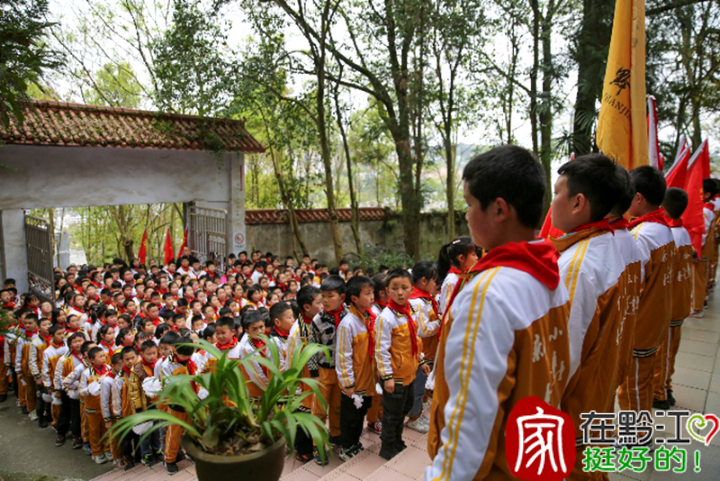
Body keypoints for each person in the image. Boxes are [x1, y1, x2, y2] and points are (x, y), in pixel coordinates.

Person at [426, 145, 571, 480]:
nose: (466, 215)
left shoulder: (486, 295)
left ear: (499, 209)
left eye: (469, 204)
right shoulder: (551, 274)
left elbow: (469, 429)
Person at [550, 154, 626, 478]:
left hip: (576, 411)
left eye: (556, 192)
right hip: (599, 393)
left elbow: (564, 355)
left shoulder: (577, 266)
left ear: (578, 202)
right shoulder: (608, 244)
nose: (551, 202)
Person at [618, 166, 675, 417]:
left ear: (638, 198)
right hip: (657, 318)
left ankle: (637, 439)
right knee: (643, 380)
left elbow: (633, 285)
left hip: (641, 325)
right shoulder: (663, 228)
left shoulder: (641, 235)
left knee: (632, 385)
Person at [607, 165, 648, 401]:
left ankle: (638, 436)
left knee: (628, 390)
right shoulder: (632, 239)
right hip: (628, 332)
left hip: (617, 338)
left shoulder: (610, 243)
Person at [375, 268, 422, 460]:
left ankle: (397, 440)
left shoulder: (409, 311)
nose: (400, 292)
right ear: (387, 291)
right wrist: (387, 377)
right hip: (395, 376)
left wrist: (423, 359)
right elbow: (381, 350)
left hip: (409, 372)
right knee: (392, 414)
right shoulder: (386, 317)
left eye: (404, 287)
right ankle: (387, 447)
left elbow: (414, 340)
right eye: (395, 288)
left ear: (412, 289)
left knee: (404, 408)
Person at [654, 187, 693, 409]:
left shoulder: (672, 235)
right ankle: (665, 385)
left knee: (664, 350)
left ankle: (660, 392)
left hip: (671, 304)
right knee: (670, 349)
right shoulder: (683, 232)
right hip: (679, 301)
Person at [335, 275, 377, 461]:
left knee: (361, 414)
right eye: (367, 293)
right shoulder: (348, 323)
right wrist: (348, 383)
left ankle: (355, 442)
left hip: (367, 378)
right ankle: (346, 446)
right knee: (350, 416)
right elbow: (343, 355)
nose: (372, 296)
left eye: (372, 292)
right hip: (354, 382)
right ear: (354, 298)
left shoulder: (370, 316)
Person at [287, 285, 323, 463]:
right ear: (306, 307)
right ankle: (303, 449)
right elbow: (292, 362)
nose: (323, 304)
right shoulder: (297, 332)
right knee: (303, 413)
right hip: (304, 379)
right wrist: (295, 386)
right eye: (319, 302)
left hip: (319, 374)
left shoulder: (321, 320)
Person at [407, 261, 440, 434]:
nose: (437, 284)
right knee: (418, 386)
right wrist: (441, 321)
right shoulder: (418, 303)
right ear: (423, 281)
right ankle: (414, 418)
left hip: (427, 350)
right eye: (434, 280)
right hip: (422, 352)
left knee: (421, 385)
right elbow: (423, 329)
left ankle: (417, 413)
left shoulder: (425, 300)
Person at [159, 339, 197, 475]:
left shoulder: (192, 360)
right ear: (175, 350)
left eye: (189, 356)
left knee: (192, 429)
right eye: (184, 356)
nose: (187, 358)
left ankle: (191, 452)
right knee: (174, 433)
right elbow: (169, 385)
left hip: (192, 400)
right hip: (177, 402)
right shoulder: (166, 365)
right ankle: (169, 459)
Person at [79, 346, 110, 464]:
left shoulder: (108, 368)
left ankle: (107, 449)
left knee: (106, 428)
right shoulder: (86, 373)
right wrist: (90, 390)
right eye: (100, 356)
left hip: (105, 405)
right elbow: (81, 390)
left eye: (104, 355)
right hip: (92, 407)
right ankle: (96, 452)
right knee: (94, 430)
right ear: (91, 360)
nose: (103, 358)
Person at [54, 332, 85, 447]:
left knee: (79, 414)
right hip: (69, 389)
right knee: (67, 412)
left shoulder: (88, 355)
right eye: (75, 341)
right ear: (70, 344)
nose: (78, 344)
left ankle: (77, 435)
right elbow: (58, 375)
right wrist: (57, 389)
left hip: (84, 389)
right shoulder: (65, 359)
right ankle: (61, 432)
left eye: (80, 340)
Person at [436, 237, 479, 318]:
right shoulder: (451, 281)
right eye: (473, 254)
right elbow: (448, 312)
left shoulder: (466, 277)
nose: (476, 258)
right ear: (461, 258)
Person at [30, 317, 54, 427]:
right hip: (42, 374)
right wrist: (37, 376)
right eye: (45, 325)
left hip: (52, 373)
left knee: (50, 396)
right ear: (39, 328)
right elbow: (32, 360)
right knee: (41, 397)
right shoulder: (35, 342)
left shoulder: (54, 339)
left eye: (49, 324)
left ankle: (49, 413)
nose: (48, 326)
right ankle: (41, 416)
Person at [42, 324, 67, 429]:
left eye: (63, 333)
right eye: (59, 334)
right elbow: (45, 370)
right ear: (52, 336)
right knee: (57, 406)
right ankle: (56, 425)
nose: (62, 336)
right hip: (56, 384)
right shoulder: (48, 352)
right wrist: (49, 386)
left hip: (67, 382)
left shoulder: (67, 347)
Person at [102, 352, 124, 467]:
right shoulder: (107, 380)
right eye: (119, 365)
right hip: (113, 413)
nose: (122, 367)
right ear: (113, 365)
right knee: (115, 436)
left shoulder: (124, 375)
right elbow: (104, 401)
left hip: (123, 410)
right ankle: (116, 457)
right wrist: (107, 418)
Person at [17, 313, 40, 421]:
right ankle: (32, 409)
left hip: (39, 369)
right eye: (25, 323)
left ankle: (41, 410)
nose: (27, 325)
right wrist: (18, 369)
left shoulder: (40, 337)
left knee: (39, 392)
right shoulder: (22, 338)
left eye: (30, 323)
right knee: (30, 390)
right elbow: (18, 355)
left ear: (36, 323)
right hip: (27, 369)